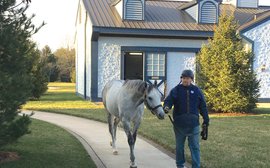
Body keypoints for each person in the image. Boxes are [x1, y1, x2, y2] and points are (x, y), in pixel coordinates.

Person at [163, 69, 209, 168]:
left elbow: (203, 107)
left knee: (195, 147)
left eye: (187, 78)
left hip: (194, 125)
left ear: (191, 79)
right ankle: (180, 165)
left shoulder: (197, 91)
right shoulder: (176, 90)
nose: (185, 80)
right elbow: (168, 101)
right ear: (181, 79)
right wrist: (166, 107)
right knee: (179, 147)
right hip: (179, 125)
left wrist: (206, 120)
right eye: (184, 78)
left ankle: (196, 166)